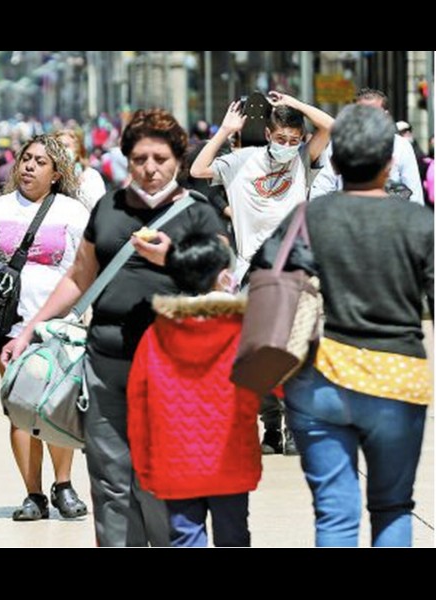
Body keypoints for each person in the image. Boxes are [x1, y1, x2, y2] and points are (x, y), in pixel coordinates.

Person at [3, 109, 227, 546]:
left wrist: (173, 258)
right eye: (140, 158)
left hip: (171, 369)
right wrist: (31, 328)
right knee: (110, 481)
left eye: (160, 159)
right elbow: (78, 277)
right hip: (106, 365)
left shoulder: (197, 213)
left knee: (160, 480)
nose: (150, 168)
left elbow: (222, 276)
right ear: (126, 159)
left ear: (178, 159)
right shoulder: (108, 208)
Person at [254, 104, 434, 547]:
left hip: (320, 382)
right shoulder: (420, 223)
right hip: (397, 380)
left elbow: (263, 280)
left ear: (334, 163)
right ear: (389, 162)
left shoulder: (306, 218)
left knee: (335, 513)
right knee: (393, 507)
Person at [191, 90, 334, 457]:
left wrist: (295, 104)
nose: (286, 145)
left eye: (293, 139)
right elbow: (197, 170)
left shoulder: (302, 160)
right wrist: (225, 131)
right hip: (250, 271)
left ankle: (292, 426)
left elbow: (331, 126)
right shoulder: (241, 161)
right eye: (280, 138)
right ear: (268, 134)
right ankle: (271, 425)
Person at [0, 134, 90, 522]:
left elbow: (86, 268)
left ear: (56, 174)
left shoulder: (73, 212)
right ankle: (33, 494)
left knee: (56, 405)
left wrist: (87, 314)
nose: (30, 167)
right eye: (26, 159)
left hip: (59, 328)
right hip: (7, 327)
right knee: (20, 409)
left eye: (40, 162)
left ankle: (64, 485)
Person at [127, 233, 261, 547]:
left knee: (184, 538)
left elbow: (138, 404)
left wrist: (144, 466)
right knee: (234, 537)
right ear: (224, 277)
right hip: (231, 457)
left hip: (174, 460)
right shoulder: (244, 330)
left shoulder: (156, 334)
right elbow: (276, 383)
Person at [310, 88, 425, 206]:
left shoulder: (401, 145)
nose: (367, 119)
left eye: (373, 113)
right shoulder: (340, 142)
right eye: (361, 113)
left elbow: (414, 191)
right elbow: (322, 186)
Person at [57, 128, 107, 210]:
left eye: (66, 146)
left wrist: (78, 186)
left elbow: (98, 208)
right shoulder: (53, 179)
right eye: (58, 147)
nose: (62, 151)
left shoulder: (91, 176)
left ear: (77, 150)